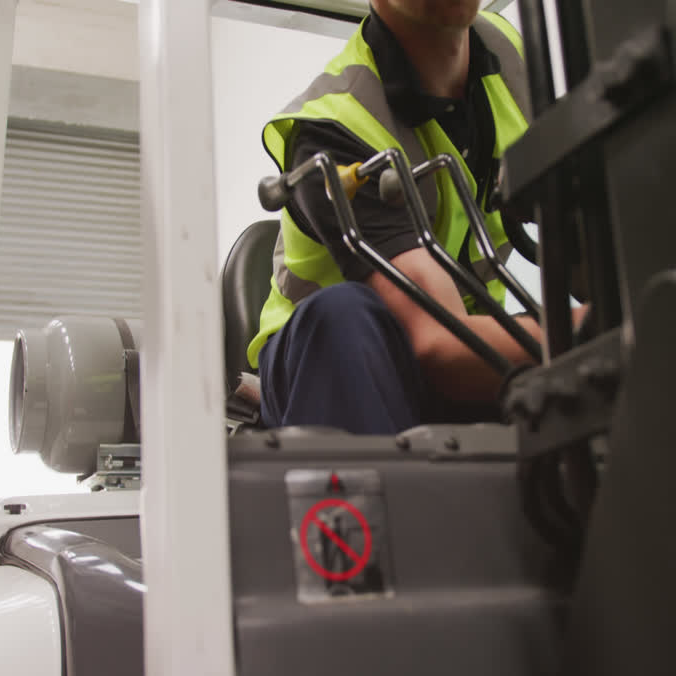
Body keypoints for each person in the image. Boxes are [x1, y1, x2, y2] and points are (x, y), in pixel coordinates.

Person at [249, 0, 580, 434]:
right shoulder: (334, 128)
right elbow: (436, 345)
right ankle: (349, 501)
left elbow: (587, 234)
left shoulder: (512, 56)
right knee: (344, 315)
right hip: (333, 362)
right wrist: (597, 329)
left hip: (470, 346)